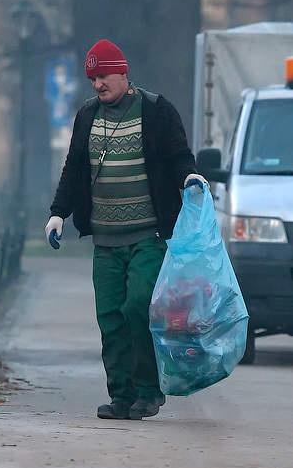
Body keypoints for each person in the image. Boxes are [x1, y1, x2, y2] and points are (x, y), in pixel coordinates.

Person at [45, 39, 207, 420]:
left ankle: (149, 392)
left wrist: (191, 176)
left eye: (103, 76)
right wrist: (58, 213)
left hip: (148, 235)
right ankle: (121, 397)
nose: (98, 84)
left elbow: (179, 155)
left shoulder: (155, 110)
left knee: (138, 306)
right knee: (110, 317)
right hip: (105, 239)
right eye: (92, 79)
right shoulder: (86, 116)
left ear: (123, 72)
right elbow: (73, 168)